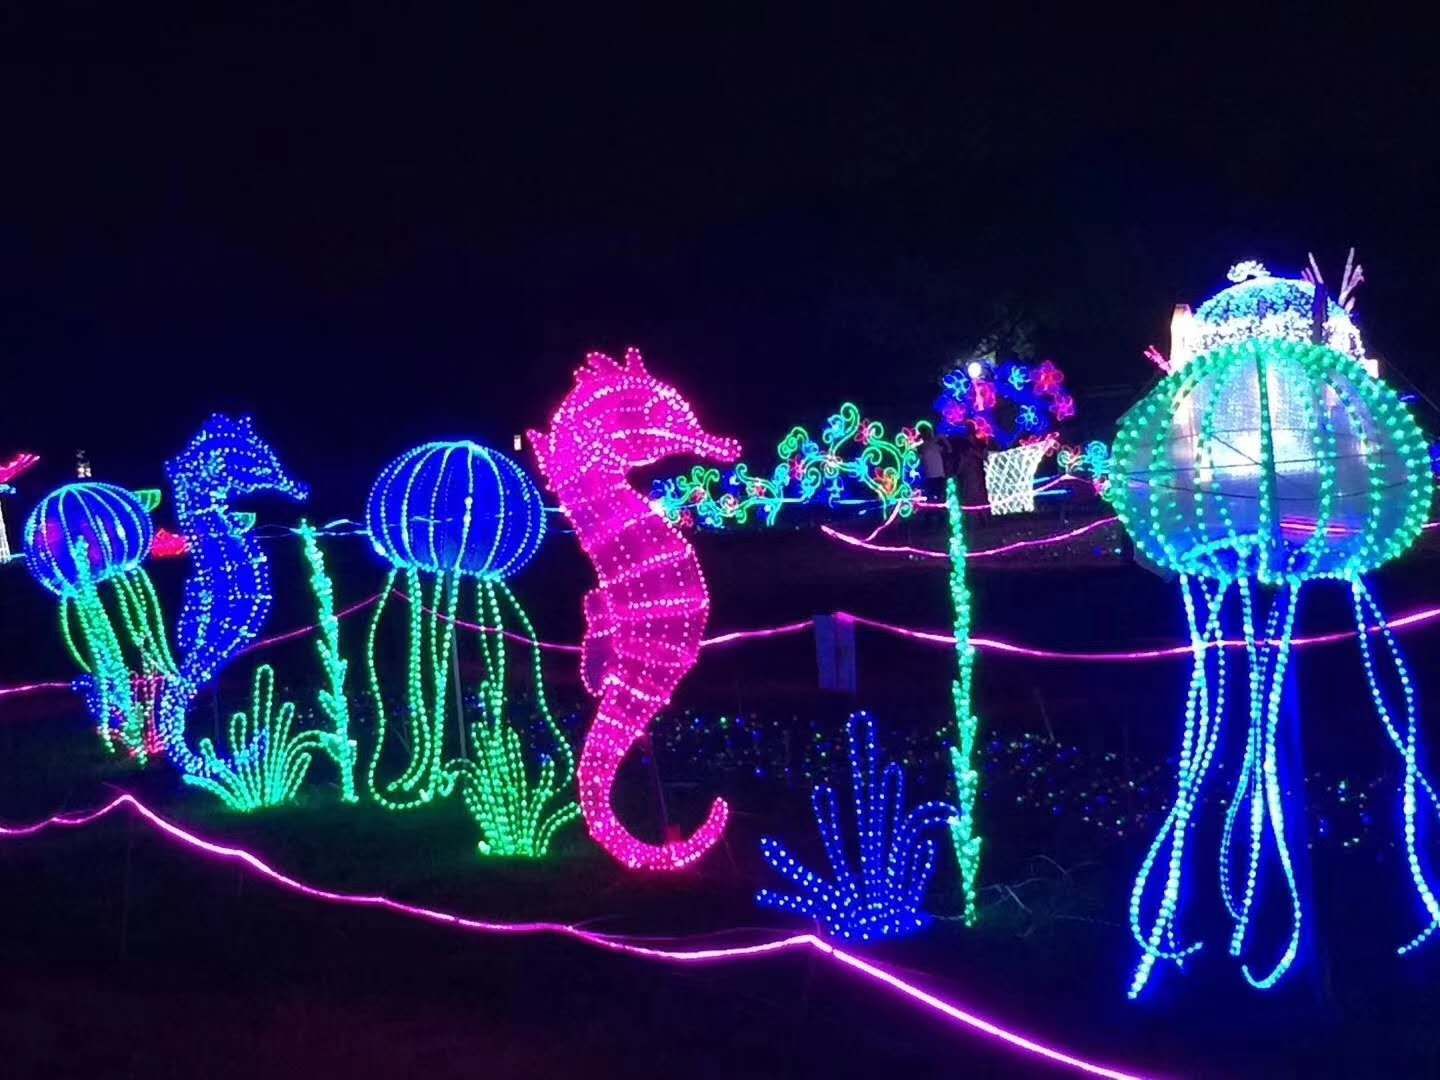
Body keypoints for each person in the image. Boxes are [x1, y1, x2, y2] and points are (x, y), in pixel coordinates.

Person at [920, 431, 948, 504]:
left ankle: (935, 504)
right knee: (939, 495)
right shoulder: (931, 445)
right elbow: (948, 450)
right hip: (936, 474)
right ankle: (938, 504)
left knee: (933, 495)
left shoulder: (924, 446)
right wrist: (944, 441)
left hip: (932, 474)